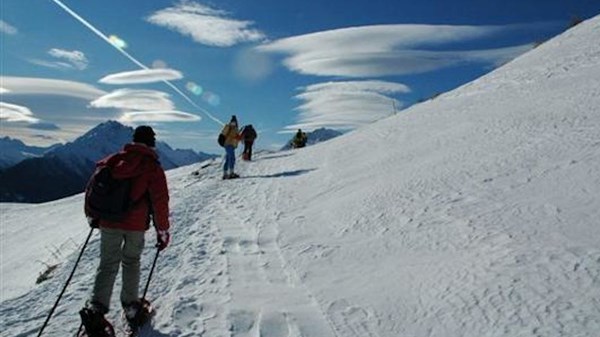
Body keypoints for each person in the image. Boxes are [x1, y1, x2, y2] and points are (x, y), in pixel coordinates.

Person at [83, 125, 170, 331]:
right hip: (135, 224)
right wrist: (162, 230)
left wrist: (93, 215)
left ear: (133, 140)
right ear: (151, 142)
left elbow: (92, 189)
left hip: (109, 222)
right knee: (131, 261)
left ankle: (96, 309)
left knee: (107, 263)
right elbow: (160, 201)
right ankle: (131, 306)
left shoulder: (113, 160)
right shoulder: (152, 166)